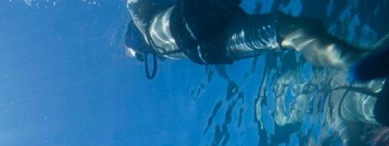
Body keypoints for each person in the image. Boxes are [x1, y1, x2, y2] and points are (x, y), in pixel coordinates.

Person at [124, 0, 386, 80]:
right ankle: (352, 57)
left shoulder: (160, 48)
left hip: (207, 50)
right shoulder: (137, 13)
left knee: (292, 34)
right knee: (302, 29)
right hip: (191, 15)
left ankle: (354, 62)